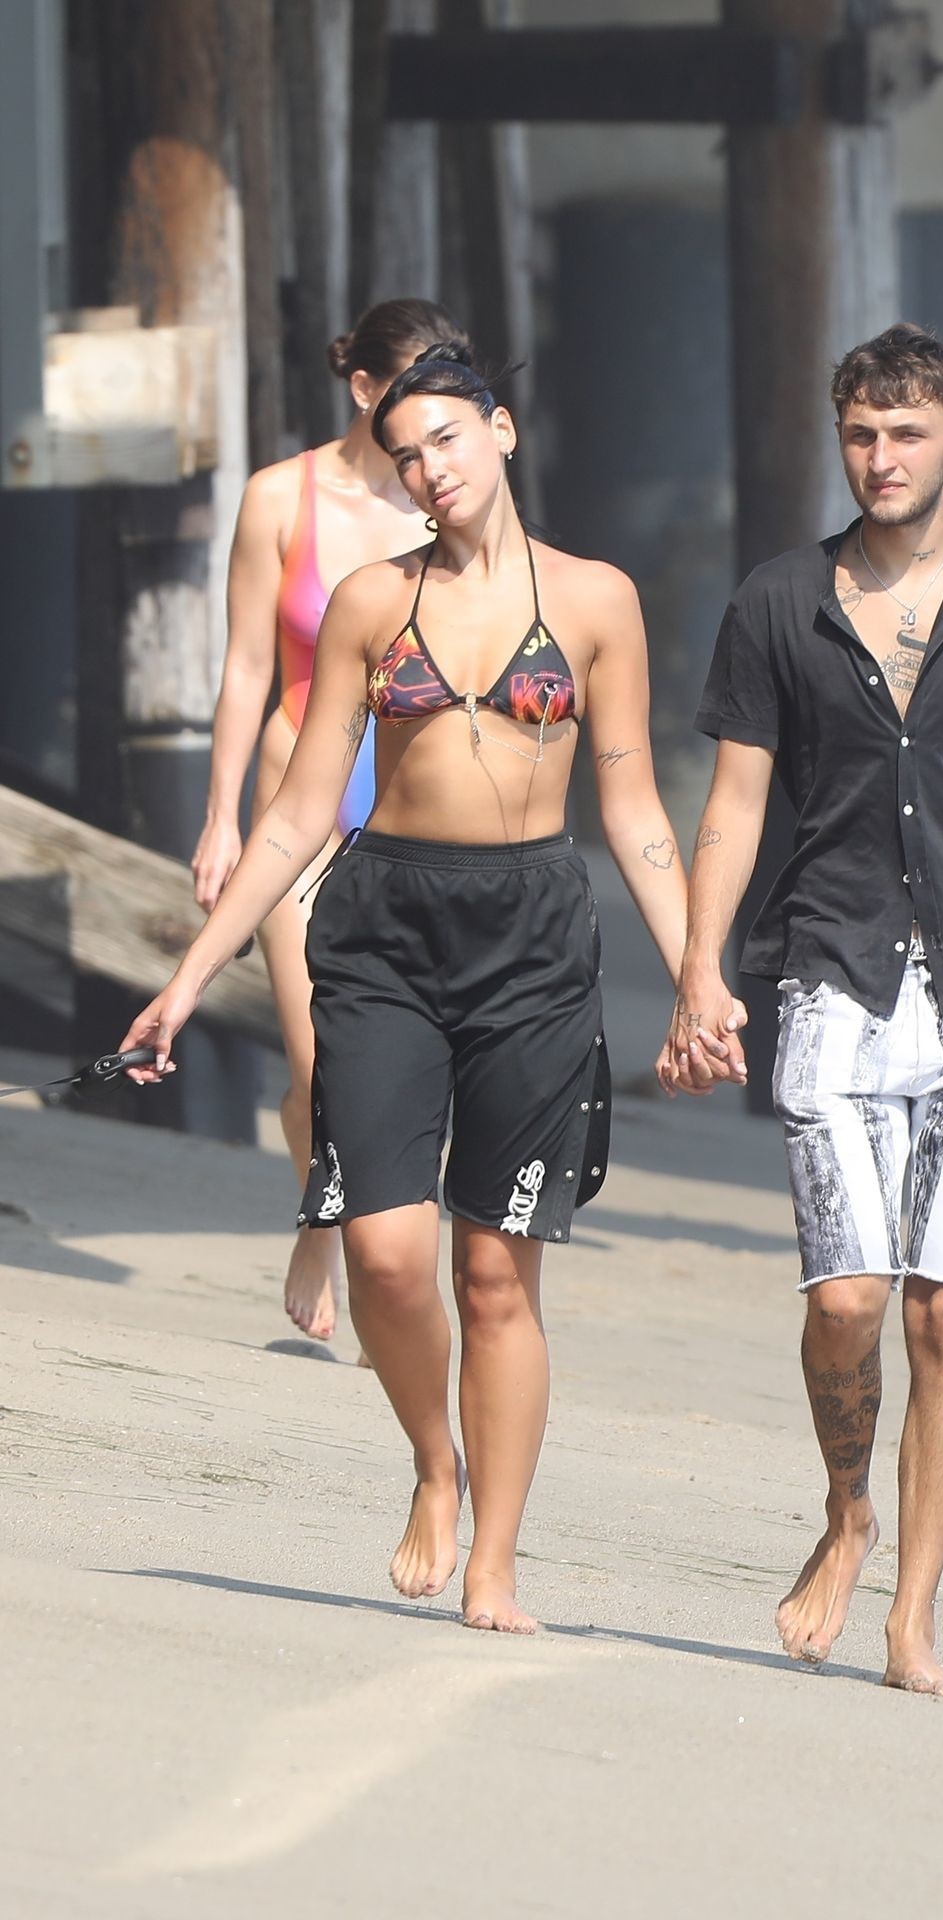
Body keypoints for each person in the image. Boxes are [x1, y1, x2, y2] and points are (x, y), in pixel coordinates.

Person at [125, 342, 696, 1633]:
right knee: (386, 1257)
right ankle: (435, 1466)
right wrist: (189, 976)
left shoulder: (596, 600)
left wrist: (697, 974)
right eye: (405, 455)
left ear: (501, 431)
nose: (429, 470)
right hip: (383, 928)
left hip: (533, 937)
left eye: (446, 439)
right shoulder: (373, 603)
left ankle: (495, 1557)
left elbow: (635, 811)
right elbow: (295, 814)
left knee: (495, 1274)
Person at [664, 322, 943, 1699]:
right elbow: (735, 802)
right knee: (849, 1298)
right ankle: (846, 1509)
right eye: (861, 434)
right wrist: (698, 970)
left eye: (906, 434)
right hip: (832, 973)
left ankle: (912, 1620)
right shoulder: (778, 603)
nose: (881, 457)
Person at [192, 298, 466, 1345]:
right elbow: (244, 668)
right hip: (296, 798)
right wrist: (220, 820)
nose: (434, 416)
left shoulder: (448, 500)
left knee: (393, 1066)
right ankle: (328, 1222)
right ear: (364, 388)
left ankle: (342, 1219)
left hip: (411, 807)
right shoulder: (280, 496)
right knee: (318, 1062)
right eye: (416, 385)